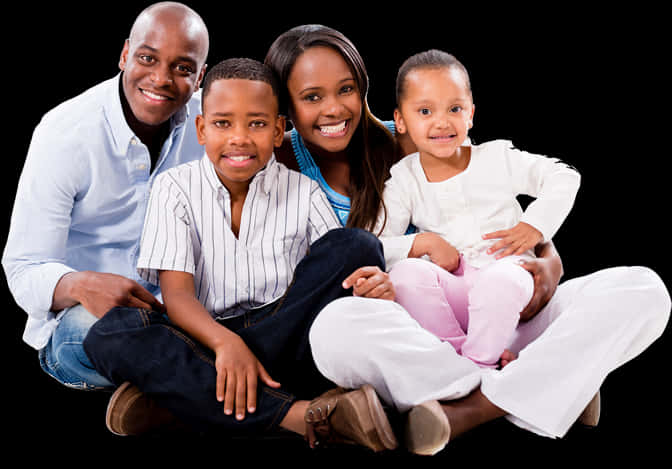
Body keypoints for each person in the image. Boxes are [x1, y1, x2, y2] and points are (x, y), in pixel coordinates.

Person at [264, 24, 671, 455]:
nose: (332, 109)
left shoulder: (413, 136)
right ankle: (547, 382)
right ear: (284, 108)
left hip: (511, 305)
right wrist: (401, 263)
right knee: (333, 329)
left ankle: (471, 408)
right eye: (311, 97)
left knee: (644, 289)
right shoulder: (273, 164)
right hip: (425, 335)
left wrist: (548, 262)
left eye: (345, 89)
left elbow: (495, 208)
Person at [83, 57, 399, 452]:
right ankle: (300, 416)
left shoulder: (303, 193)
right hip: (203, 336)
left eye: (257, 123)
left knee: (359, 246)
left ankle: (179, 403)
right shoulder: (175, 188)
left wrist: (373, 283)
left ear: (280, 130)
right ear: (201, 129)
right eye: (222, 123)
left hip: (284, 337)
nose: (239, 138)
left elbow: (335, 279)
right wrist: (225, 345)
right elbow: (178, 296)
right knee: (110, 332)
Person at [2, 2, 209, 390]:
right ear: (125, 54)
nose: (161, 79)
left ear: (200, 78)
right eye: (148, 58)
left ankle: (169, 397)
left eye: (182, 68)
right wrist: (80, 285)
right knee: (91, 335)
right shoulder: (65, 133)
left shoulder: (209, 128)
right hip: (89, 322)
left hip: (184, 313)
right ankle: (205, 388)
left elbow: (277, 144)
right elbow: (23, 268)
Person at [377, 49, 581, 369]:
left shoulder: (497, 158)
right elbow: (376, 242)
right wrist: (422, 243)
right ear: (400, 120)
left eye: (454, 108)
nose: (441, 122)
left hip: (510, 275)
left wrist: (535, 224)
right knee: (406, 275)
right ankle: (462, 361)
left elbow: (564, 176)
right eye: (425, 111)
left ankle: (478, 366)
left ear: (470, 114)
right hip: (455, 287)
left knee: (498, 284)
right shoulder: (404, 179)